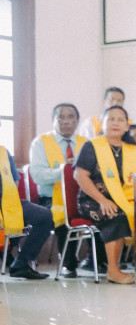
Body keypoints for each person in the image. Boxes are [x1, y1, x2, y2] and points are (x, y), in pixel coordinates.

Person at [74, 105, 136, 285]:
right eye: (110, 119)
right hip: (93, 199)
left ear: (127, 126)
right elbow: (79, 175)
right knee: (116, 215)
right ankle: (113, 270)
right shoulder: (91, 146)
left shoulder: (132, 150)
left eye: (120, 120)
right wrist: (102, 200)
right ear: (102, 124)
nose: (115, 123)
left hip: (124, 199)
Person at [29, 102, 89, 276]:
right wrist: (64, 170)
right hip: (50, 197)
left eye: (71, 117)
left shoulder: (86, 144)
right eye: (60, 117)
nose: (66, 121)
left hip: (82, 197)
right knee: (62, 211)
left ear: (77, 121)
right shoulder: (41, 142)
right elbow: (37, 175)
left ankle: (98, 261)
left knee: (105, 208)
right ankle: (68, 263)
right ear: (53, 120)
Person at [0, 144, 54, 280]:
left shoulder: (3, 152)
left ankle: (21, 264)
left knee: (45, 216)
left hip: (8, 201)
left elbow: (14, 183)